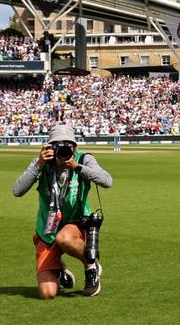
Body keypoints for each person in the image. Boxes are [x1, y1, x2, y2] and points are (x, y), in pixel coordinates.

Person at [12, 123, 114, 299]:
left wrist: (77, 167)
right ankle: (60, 269)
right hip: (48, 228)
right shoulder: (42, 163)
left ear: (74, 147)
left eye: (67, 145)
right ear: (50, 147)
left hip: (76, 222)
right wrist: (39, 164)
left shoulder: (83, 159)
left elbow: (107, 181)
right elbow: (17, 191)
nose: (63, 149)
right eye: (57, 145)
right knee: (47, 293)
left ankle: (91, 268)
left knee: (64, 238)